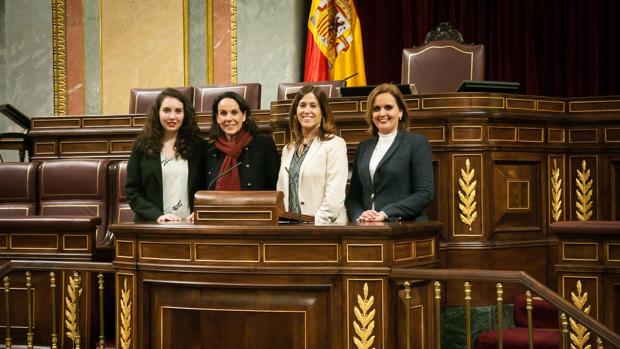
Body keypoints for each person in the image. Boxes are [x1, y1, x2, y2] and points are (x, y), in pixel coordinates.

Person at [346, 83, 434, 222]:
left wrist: (386, 213)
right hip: (367, 229)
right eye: (376, 109)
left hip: (404, 228)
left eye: (388, 107)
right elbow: (353, 197)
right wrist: (360, 215)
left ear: (400, 112)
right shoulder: (363, 147)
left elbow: (424, 193)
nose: (382, 113)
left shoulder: (416, 143)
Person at [126, 88, 205, 223]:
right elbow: (133, 192)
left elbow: (207, 188)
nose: (172, 117)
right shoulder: (142, 145)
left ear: (185, 114)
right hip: (151, 224)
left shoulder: (199, 146)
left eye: (178, 111)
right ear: (157, 113)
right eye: (167, 110)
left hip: (190, 225)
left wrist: (199, 212)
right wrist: (157, 215)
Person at [277, 85, 348, 223]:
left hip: (323, 228)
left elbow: (335, 197)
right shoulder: (288, 149)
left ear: (323, 112)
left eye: (313, 106)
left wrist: (315, 223)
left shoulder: (335, 144)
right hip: (289, 228)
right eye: (302, 105)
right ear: (295, 111)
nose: (307, 110)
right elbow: (281, 191)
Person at [204, 91, 279, 190]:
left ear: (243, 116)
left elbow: (276, 187)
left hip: (256, 205)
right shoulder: (209, 150)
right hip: (219, 205)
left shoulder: (264, 145)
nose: (229, 118)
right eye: (223, 113)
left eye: (234, 112)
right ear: (217, 118)